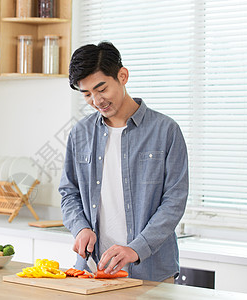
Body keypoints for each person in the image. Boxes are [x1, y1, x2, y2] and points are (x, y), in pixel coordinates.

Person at [59, 41, 189, 282]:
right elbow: (68, 192)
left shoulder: (166, 130)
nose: (96, 101)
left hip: (151, 273)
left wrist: (136, 248)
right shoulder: (80, 133)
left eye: (101, 89)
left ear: (122, 76)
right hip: (91, 270)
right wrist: (81, 228)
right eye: (86, 94)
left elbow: (174, 201)